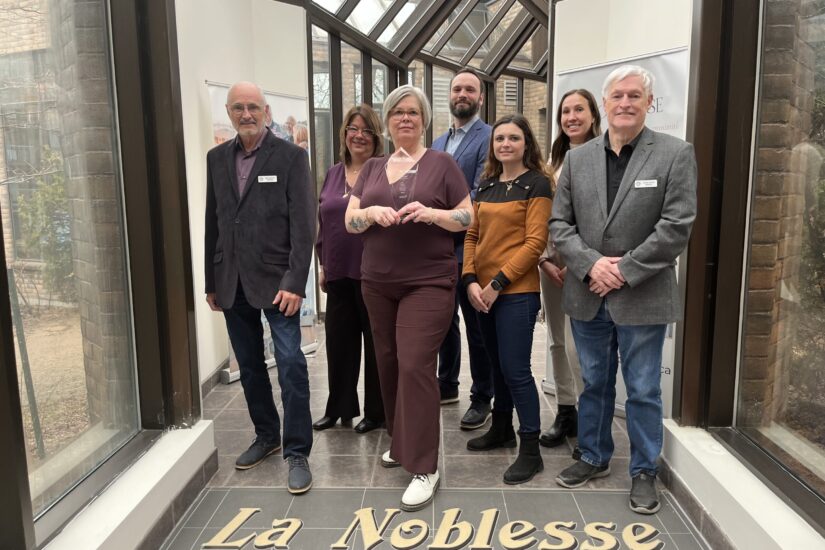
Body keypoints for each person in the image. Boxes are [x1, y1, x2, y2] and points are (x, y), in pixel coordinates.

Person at [550, 66, 697, 514]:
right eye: (618, 96)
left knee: (644, 389)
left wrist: (624, 269)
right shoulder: (578, 159)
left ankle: (644, 470)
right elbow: (559, 225)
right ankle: (594, 456)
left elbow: (676, 226)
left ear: (649, 103)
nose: (626, 103)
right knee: (594, 383)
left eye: (635, 95)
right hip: (587, 292)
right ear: (606, 102)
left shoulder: (675, 153)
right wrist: (592, 264)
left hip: (643, 294)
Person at [344, 85, 473, 511]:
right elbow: (350, 220)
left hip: (428, 281)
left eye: (413, 112)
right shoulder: (373, 167)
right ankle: (402, 442)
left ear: (424, 120)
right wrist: (369, 213)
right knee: (388, 362)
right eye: (397, 112)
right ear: (388, 120)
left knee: (416, 363)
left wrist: (433, 213)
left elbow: (467, 216)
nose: (405, 118)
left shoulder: (442, 163)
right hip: (377, 282)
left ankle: (424, 466)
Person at [204, 81, 316, 494]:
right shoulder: (217, 158)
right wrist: (211, 280)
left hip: (278, 283)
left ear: (266, 111)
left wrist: (295, 282)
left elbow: (304, 227)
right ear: (229, 113)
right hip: (231, 281)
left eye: (253, 106)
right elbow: (213, 221)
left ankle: (297, 450)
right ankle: (267, 436)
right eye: (238, 107)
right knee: (249, 366)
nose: (246, 114)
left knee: (290, 365)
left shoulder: (291, 157)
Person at [463, 114, 552, 484]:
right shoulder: (485, 185)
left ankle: (530, 450)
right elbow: (472, 235)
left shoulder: (538, 184)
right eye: (499, 138)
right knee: (496, 367)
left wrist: (497, 282)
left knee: (516, 370)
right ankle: (501, 429)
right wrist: (470, 280)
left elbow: (535, 243)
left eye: (514, 138)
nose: (505, 144)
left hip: (516, 293)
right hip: (481, 293)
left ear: (526, 143)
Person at [313, 105, 385, 434]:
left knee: (375, 345)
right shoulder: (333, 173)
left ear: (376, 137)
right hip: (338, 272)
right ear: (344, 134)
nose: (359, 136)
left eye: (366, 130)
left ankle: (376, 412)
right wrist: (323, 264)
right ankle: (339, 408)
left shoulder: (383, 172)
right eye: (353, 129)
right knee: (339, 344)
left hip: (374, 273)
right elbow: (324, 221)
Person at [432, 67, 495, 430]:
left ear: (480, 97)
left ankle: (482, 396)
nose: (462, 95)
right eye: (457, 89)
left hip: (472, 248)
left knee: (477, 327)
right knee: (443, 322)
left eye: (470, 89)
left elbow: (480, 191)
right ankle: (447, 384)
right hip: (437, 251)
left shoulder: (490, 138)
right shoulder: (438, 143)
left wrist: (437, 214)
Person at [538, 89, 600, 453]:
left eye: (579, 110)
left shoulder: (605, 157)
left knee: (582, 348)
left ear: (593, 115)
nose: (572, 117)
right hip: (552, 264)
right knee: (558, 341)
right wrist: (545, 259)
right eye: (565, 111)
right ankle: (566, 411)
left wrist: (582, 262)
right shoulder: (553, 161)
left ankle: (590, 421)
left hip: (588, 265)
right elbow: (543, 216)